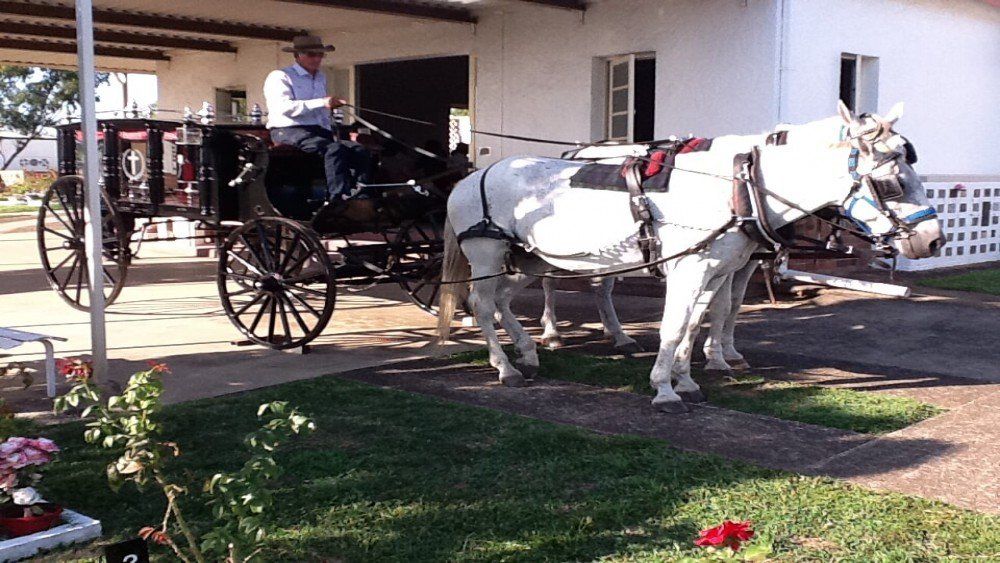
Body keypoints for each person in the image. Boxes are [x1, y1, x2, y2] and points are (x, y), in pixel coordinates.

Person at [264, 35, 371, 202]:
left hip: (316, 131)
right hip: (287, 130)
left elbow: (321, 113)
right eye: (311, 54)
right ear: (297, 55)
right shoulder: (280, 76)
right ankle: (338, 199)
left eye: (320, 55)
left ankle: (361, 194)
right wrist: (322, 102)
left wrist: (329, 130)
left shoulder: (321, 77)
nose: (317, 58)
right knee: (334, 149)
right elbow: (284, 108)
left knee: (360, 150)